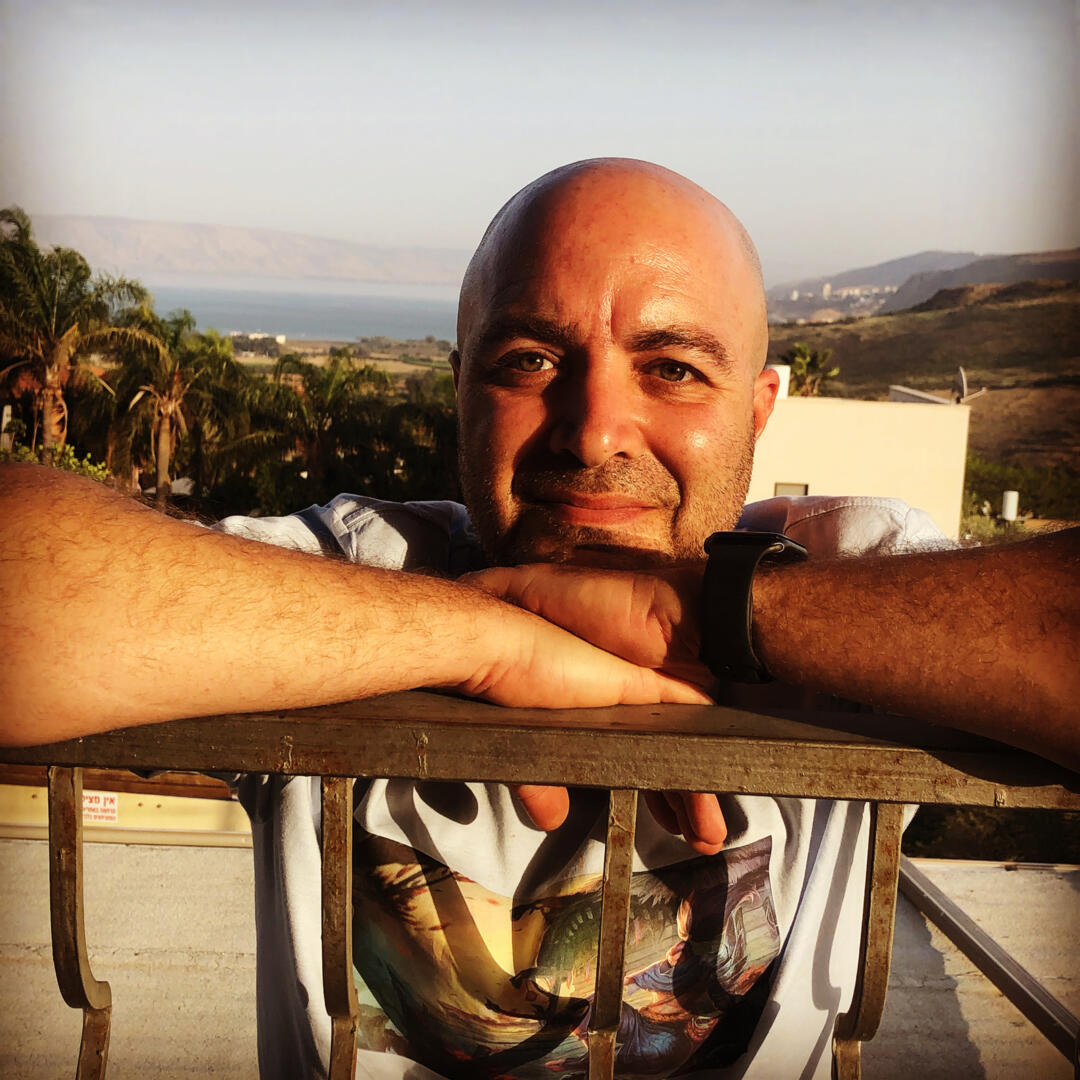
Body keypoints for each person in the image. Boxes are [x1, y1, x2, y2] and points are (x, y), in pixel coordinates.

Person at [1, 159, 1077, 1080]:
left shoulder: (853, 576)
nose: (594, 429)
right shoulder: (357, 571)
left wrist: (694, 611)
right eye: (531, 362)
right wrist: (481, 633)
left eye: (673, 369)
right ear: (461, 388)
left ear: (758, 410)